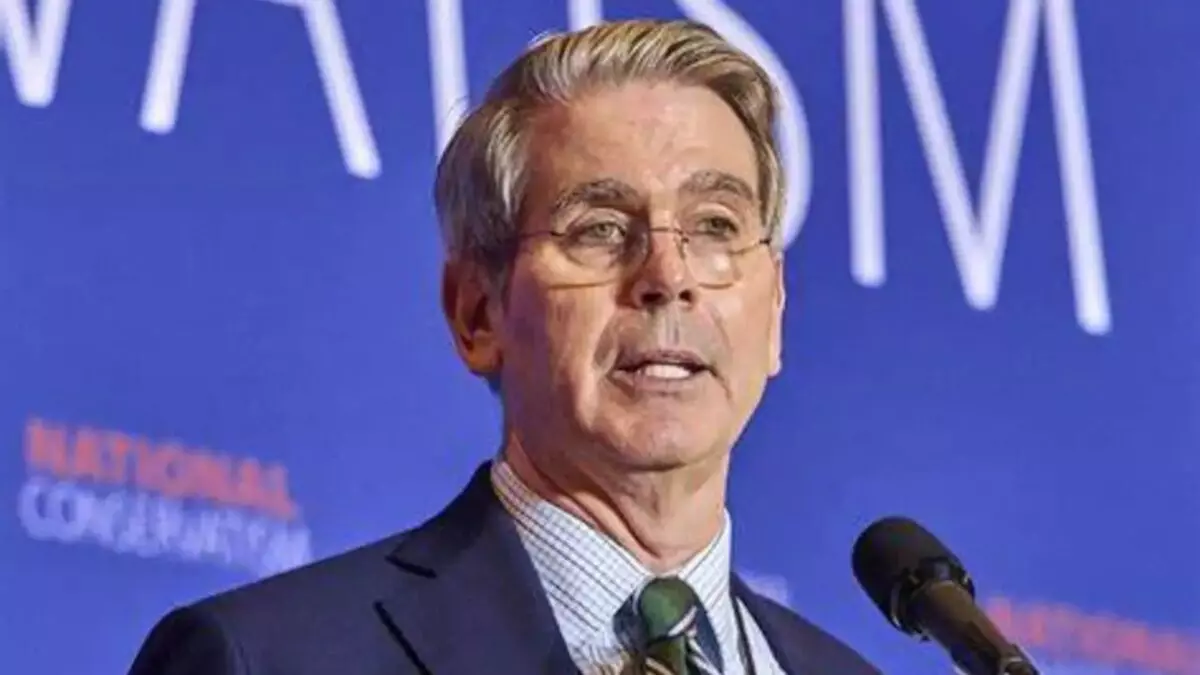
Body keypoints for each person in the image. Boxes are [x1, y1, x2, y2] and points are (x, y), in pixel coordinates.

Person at [127, 18, 879, 675]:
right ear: (477, 312)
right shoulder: (268, 658)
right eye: (599, 228)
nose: (668, 277)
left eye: (715, 225)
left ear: (775, 309)